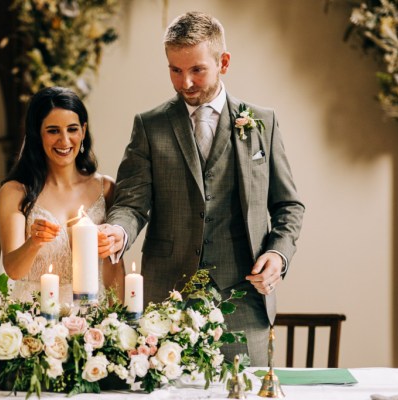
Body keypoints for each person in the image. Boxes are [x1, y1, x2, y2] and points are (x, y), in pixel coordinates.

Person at [98, 11, 304, 366]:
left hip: (244, 301)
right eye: (175, 70)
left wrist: (278, 254)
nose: (185, 83)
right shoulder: (150, 126)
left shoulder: (261, 122)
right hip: (166, 302)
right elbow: (132, 204)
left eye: (196, 70)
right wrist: (118, 230)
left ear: (223, 62)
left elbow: (288, 206)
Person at [0, 86, 124, 306]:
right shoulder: (16, 192)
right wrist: (34, 242)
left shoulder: (106, 188)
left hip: (91, 320)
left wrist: (120, 323)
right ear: (38, 134)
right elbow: (13, 270)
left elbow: (114, 269)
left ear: (83, 131)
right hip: (34, 319)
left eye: (72, 129)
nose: (64, 141)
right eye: (53, 130)